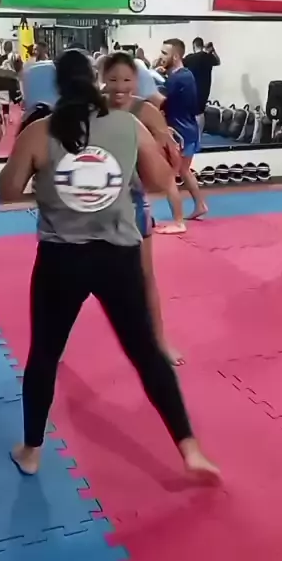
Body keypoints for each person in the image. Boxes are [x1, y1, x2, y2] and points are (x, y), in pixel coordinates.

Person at [0, 48, 218, 479]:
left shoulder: (40, 131)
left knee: (44, 354)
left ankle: (32, 450)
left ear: (58, 86)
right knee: (146, 353)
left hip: (61, 259)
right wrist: (130, 165)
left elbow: (8, 191)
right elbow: (162, 181)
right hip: (118, 256)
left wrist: (31, 157)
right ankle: (190, 449)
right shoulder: (126, 124)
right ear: (94, 81)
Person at [102, 51, 185, 365]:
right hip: (95, 205)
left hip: (133, 201)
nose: (119, 86)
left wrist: (166, 152)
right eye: (113, 79)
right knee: (75, 279)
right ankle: (51, 347)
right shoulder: (93, 109)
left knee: (145, 276)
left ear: (136, 81)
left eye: (126, 79)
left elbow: (169, 164)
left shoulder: (145, 111)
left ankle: (159, 341)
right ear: (103, 80)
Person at [160, 39, 208, 221]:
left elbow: (158, 100)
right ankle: (200, 205)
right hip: (189, 130)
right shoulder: (187, 75)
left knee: (168, 175)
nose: (161, 57)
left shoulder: (177, 78)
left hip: (180, 133)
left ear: (175, 56)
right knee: (184, 171)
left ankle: (177, 219)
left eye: (164, 53)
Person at [184, 38, 221, 136]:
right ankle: (199, 134)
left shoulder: (190, 57)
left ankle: (193, 133)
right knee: (200, 111)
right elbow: (218, 62)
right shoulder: (208, 57)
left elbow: (180, 67)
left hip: (192, 87)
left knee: (192, 112)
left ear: (194, 46)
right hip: (205, 87)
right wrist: (213, 51)